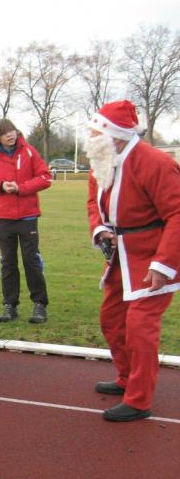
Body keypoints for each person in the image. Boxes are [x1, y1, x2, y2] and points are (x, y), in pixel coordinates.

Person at [85, 100, 180, 422]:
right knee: (111, 319)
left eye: (96, 130)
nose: (90, 135)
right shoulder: (102, 159)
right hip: (120, 257)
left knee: (140, 327)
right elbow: (93, 202)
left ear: (115, 134)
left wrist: (163, 264)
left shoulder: (155, 162)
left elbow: (177, 214)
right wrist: (99, 228)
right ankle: (127, 377)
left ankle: (139, 399)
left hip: (152, 256)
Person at [0, 118, 52, 324]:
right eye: (4, 133)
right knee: (8, 262)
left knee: (31, 261)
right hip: (3, 217)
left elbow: (45, 178)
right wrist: (1, 186)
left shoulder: (29, 151)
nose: (9, 135)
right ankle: (10, 305)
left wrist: (21, 188)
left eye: (11, 130)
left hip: (27, 216)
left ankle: (40, 304)